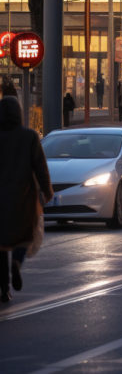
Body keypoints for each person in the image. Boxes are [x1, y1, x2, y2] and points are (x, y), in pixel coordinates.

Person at [0, 96, 52, 304]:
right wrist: (47, 191)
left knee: (1, 245)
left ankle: (4, 289)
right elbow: (40, 167)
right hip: (24, 196)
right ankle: (18, 263)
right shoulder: (29, 137)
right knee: (26, 235)